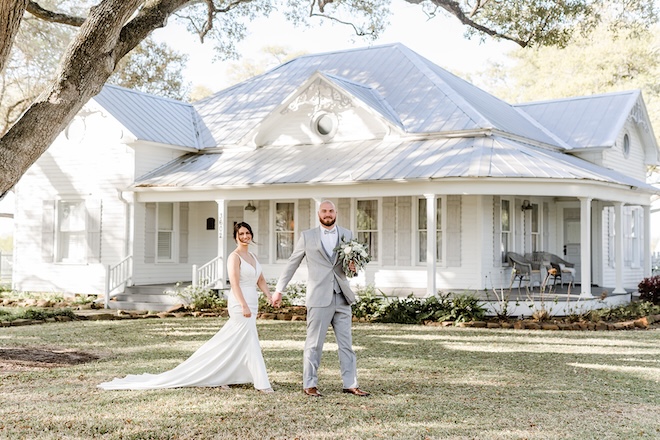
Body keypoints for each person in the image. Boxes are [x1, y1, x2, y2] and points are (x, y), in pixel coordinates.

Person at [98, 222, 274, 393]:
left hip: (253, 301)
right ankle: (260, 382)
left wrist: (269, 295)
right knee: (249, 337)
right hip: (239, 302)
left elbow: (261, 280)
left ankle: (224, 375)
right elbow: (234, 284)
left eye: (247, 233)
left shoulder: (253, 257)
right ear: (235, 237)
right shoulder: (234, 257)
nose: (245, 236)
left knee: (237, 339)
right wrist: (243, 304)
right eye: (241, 234)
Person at [272, 200, 369, 397]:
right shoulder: (307, 236)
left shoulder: (347, 234)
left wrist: (353, 268)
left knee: (347, 345)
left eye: (331, 211)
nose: (327, 214)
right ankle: (309, 384)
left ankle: (350, 383)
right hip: (318, 298)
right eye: (324, 211)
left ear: (335, 213)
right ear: (319, 213)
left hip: (342, 297)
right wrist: (279, 289)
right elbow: (292, 263)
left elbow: (351, 268)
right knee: (314, 344)